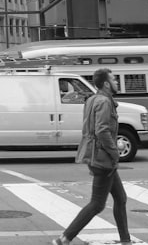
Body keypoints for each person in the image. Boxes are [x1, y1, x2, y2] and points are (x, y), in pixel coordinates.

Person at [52, 67, 129, 245]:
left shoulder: (93, 99)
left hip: (97, 155)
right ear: (106, 84)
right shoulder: (104, 102)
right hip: (103, 158)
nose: (117, 82)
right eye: (114, 79)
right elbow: (102, 130)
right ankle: (64, 238)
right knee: (97, 204)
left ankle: (126, 240)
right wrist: (114, 152)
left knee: (120, 198)